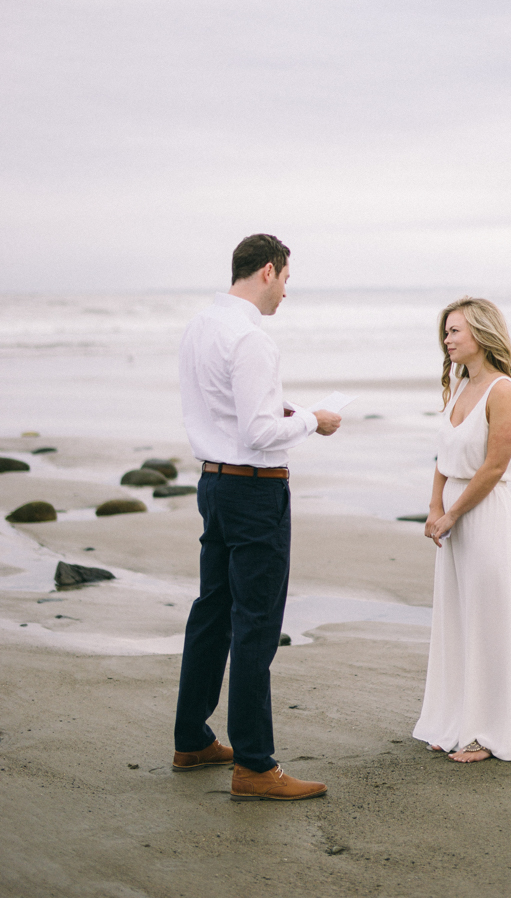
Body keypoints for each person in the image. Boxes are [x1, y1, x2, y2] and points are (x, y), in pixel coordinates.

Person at [172, 233, 341, 801]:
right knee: (256, 624)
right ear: (268, 271)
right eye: (287, 280)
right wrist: (314, 419)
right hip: (255, 491)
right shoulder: (252, 339)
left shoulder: (200, 327)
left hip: (214, 483)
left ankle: (192, 739)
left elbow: (225, 409)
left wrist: (280, 412)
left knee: (212, 610)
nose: (286, 293)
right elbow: (258, 432)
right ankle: (254, 765)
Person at [412, 296, 511, 763]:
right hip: (452, 518)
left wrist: (453, 514)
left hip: (484, 516)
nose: (447, 339)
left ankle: (490, 732)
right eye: (445, 331)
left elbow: (493, 467)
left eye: (455, 331)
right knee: (458, 618)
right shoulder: (458, 387)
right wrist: (433, 506)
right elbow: (444, 457)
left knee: (489, 620)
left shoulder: (503, 390)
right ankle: (455, 720)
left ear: (482, 334)